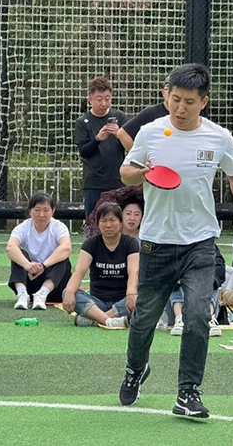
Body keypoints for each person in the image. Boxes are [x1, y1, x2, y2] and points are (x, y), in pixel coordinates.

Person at [118, 63, 233, 418]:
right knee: (145, 318)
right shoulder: (150, 132)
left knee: (198, 315)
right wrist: (142, 173)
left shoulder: (218, 137)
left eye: (189, 102)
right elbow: (125, 172)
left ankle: (188, 393)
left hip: (200, 242)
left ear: (204, 102)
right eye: (176, 99)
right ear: (166, 95)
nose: (180, 108)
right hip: (156, 242)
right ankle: (135, 368)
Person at [62, 203, 139, 329]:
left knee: (142, 295)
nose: (108, 225)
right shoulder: (91, 244)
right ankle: (111, 321)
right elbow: (79, 272)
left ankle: (96, 319)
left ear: (121, 223)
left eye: (112, 220)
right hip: (97, 303)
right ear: (98, 224)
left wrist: (131, 294)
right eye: (103, 221)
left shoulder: (130, 243)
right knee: (67, 291)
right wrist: (69, 293)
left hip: (123, 302)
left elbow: (133, 272)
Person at [6, 192, 72, 310]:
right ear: (30, 211)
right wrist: (27, 265)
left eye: (46, 210)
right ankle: (22, 294)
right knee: (19, 254)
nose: (41, 215)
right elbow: (10, 248)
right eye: (37, 210)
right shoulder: (23, 227)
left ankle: (42, 294)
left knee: (62, 258)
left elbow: (66, 247)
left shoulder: (59, 227)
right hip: (31, 278)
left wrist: (43, 266)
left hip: (54, 285)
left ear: (53, 211)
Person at [74, 76, 128, 219]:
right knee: (94, 223)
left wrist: (119, 134)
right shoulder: (82, 122)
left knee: (118, 222)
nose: (104, 103)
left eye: (107, 99)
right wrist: (98, 138)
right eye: (99, 99)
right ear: (90, 100)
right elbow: (83, 152)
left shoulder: (120, 117)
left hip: (118, 181)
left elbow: (131, 146)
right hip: (94, 183)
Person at [117, 79, 170, 151]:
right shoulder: (151, 113)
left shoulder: (184, 114)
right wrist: (138, 155)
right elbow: (123, 133)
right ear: (163, 93)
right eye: (169, 91)